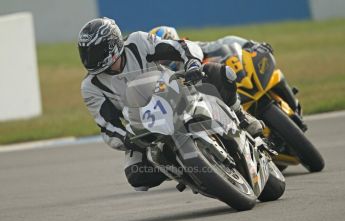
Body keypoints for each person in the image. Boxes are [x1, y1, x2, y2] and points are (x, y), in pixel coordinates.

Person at [78, 18, 264, 191]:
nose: (89, 59)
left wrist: (192, 63)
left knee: (218, 73)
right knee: (136, 175)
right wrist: (128, 139)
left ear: (112, 45)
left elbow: (179, 46)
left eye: (93, 52)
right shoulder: (90, 86)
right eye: (85, 52)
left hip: (174, 93)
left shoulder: (137, 42)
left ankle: (240, 115)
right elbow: (108, 126)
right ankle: (184, 172)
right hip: (143, 127)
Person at [149, 26, 299, 113]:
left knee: (274, 74)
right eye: (162, 57)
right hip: (217, 102)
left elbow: (224, 42)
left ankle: (294, 103)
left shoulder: (194, 49)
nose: (166, 58)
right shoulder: (167, 76)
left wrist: (250, 44)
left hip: (236, 80)